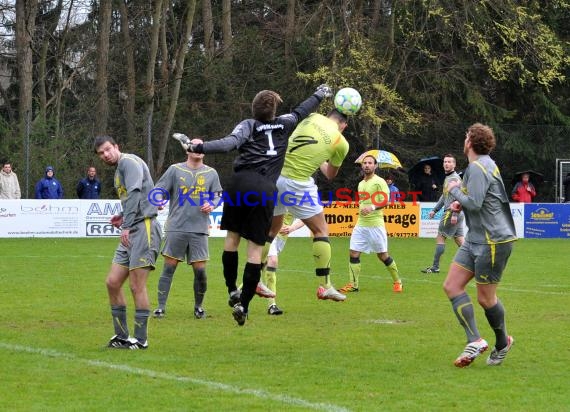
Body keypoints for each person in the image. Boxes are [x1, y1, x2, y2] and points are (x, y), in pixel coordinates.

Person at [177, 85, 331, 326]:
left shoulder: (248, 125)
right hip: (264, 189)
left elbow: (228, 144)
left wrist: (197, 147)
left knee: (231, 240)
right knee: (255, 252)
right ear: (274, 110)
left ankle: (231, 290)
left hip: (240, 184)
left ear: (253, 108)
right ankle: (244, 306)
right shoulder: (285, 124)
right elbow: (303, 109)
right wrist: (320, 94)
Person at [444, 123, 516, 368]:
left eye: (466, 136)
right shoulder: (482, 164)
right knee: (452, 285)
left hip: (492, 240)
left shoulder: (478, 166)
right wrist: (460, 203)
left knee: (486, 299)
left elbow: (474, 203)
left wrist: (455, 192)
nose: (464, 140)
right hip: (475, 238)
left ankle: (502, 343)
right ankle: (475, 339)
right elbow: (477, 200)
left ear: (470, 142)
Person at [268, 108, 351, 303]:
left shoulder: (312, 117)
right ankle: (326, 285)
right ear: (344, 125)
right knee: (321, 229)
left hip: (274, 175)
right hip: (296, 182)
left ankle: (252, 279)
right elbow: (330, 175)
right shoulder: (341, 142)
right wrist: (322, 159)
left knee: (271, 232)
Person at [94, 135, 162, 350]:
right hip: (132, 227)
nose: (105, 155)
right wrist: (123, 217)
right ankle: (121, 336)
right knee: (112, 282)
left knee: (136, 286)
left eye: (107, 150)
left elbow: (134, 193)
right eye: (101, 154)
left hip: (144, 228)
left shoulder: (128, 162)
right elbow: (137, 197)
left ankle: (141, 340)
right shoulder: (119, 170)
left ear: (116, 146)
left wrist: (126, 224)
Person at [152, 138, 222, 320]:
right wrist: (158, 199)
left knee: (200, 272)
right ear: (187, 150)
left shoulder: (211, 173)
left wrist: (212, 204)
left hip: (199, 229)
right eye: (194, 146)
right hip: (176, 227)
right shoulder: (175, 169)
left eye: (201, 147)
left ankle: (199, 307)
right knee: (168, 268)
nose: (198, 150)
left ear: (204, 151)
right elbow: (159, 189)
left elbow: (217, 195)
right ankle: (160, 307)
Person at [338, 155, 403, 293]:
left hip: (375, 224)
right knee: (353, 253)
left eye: (370, 163)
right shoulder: (361, 184)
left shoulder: (379, 181)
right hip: (361, 224)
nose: (367, 165)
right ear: (362, 166)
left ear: (375, 166)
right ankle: (353, 285)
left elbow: (386, 201)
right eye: (365, 163)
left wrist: (372, 207)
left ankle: (397, 281)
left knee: (382, 255)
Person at [421, 154, 465, 274]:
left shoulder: (453, 179)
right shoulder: (449, 178)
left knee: (440, 237)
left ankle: (435, 267)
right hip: (457, 213)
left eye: (450, 162)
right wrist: (435, 210)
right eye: (445, 162)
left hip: (452, 213)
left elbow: (459, 197)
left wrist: (454, 214)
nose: (446, 164)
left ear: (454, 165)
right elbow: (444, 196)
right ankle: (475, 264)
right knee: (460, 240)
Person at [262, 210, 305, 315]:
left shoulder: (297, 197)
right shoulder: (273, 194)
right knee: (272, 261)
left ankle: (237, 295)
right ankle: (272, 305)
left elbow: (305, 217)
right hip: (267, 232)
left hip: (282, 238)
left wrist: (292, 228)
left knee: (260, 267)